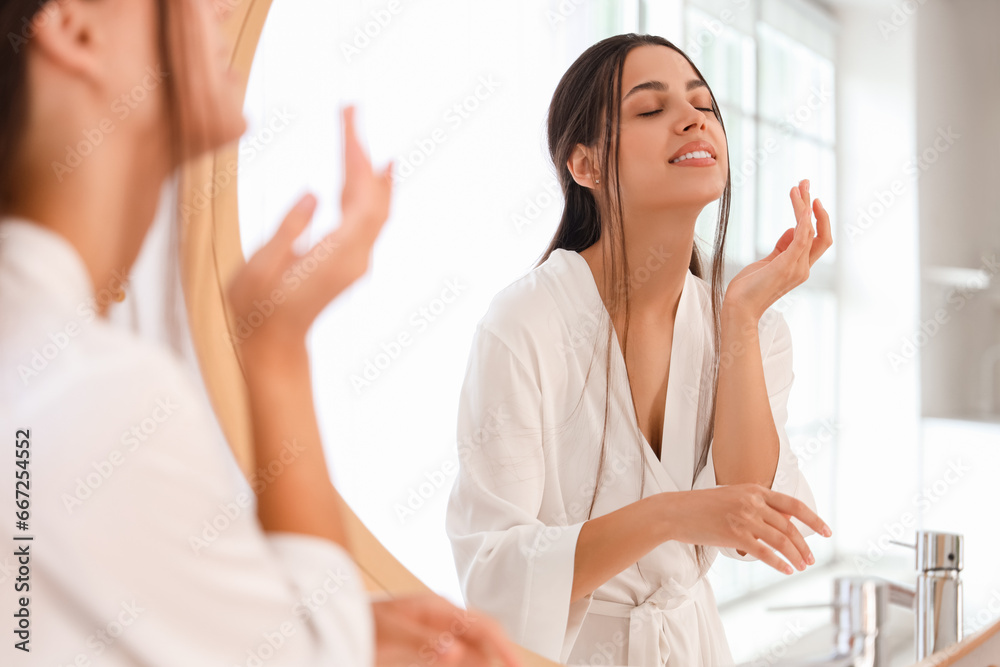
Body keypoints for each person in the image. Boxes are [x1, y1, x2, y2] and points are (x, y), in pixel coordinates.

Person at [0, 1, 520, 665]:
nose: (218, 8)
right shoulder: (95, 391)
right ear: (76, 31)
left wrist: (302, 619)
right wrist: (277, 350)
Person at [446, 33, 834, 666]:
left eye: (705, 106)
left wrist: (738, 315)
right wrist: (669, 516)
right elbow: (493, 575)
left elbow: (749, 518)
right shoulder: (526, 323)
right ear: (585, 166)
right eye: (650, 110)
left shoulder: (753, 327)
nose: (692, 120)